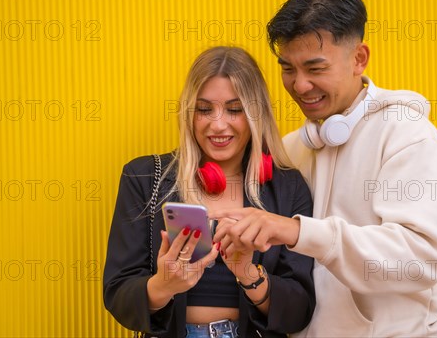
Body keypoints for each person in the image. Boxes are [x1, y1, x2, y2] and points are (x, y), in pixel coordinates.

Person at [211, 0, 437, 337]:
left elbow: (422, 261)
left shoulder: (409, 136)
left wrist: (297, 231)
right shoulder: (295, 148)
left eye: (315, 68)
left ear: (359, 58)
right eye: (288, 69)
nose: (299, 85)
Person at [103, 46, 316, 337]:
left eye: (234, 109)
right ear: (190, 114)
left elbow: (299, 312)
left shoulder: (288, 187)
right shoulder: (143, 177)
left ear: (256, 114)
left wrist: (249, 275)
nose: (218, 124)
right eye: (204, 110)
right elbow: (117, 295)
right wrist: (162, 285)